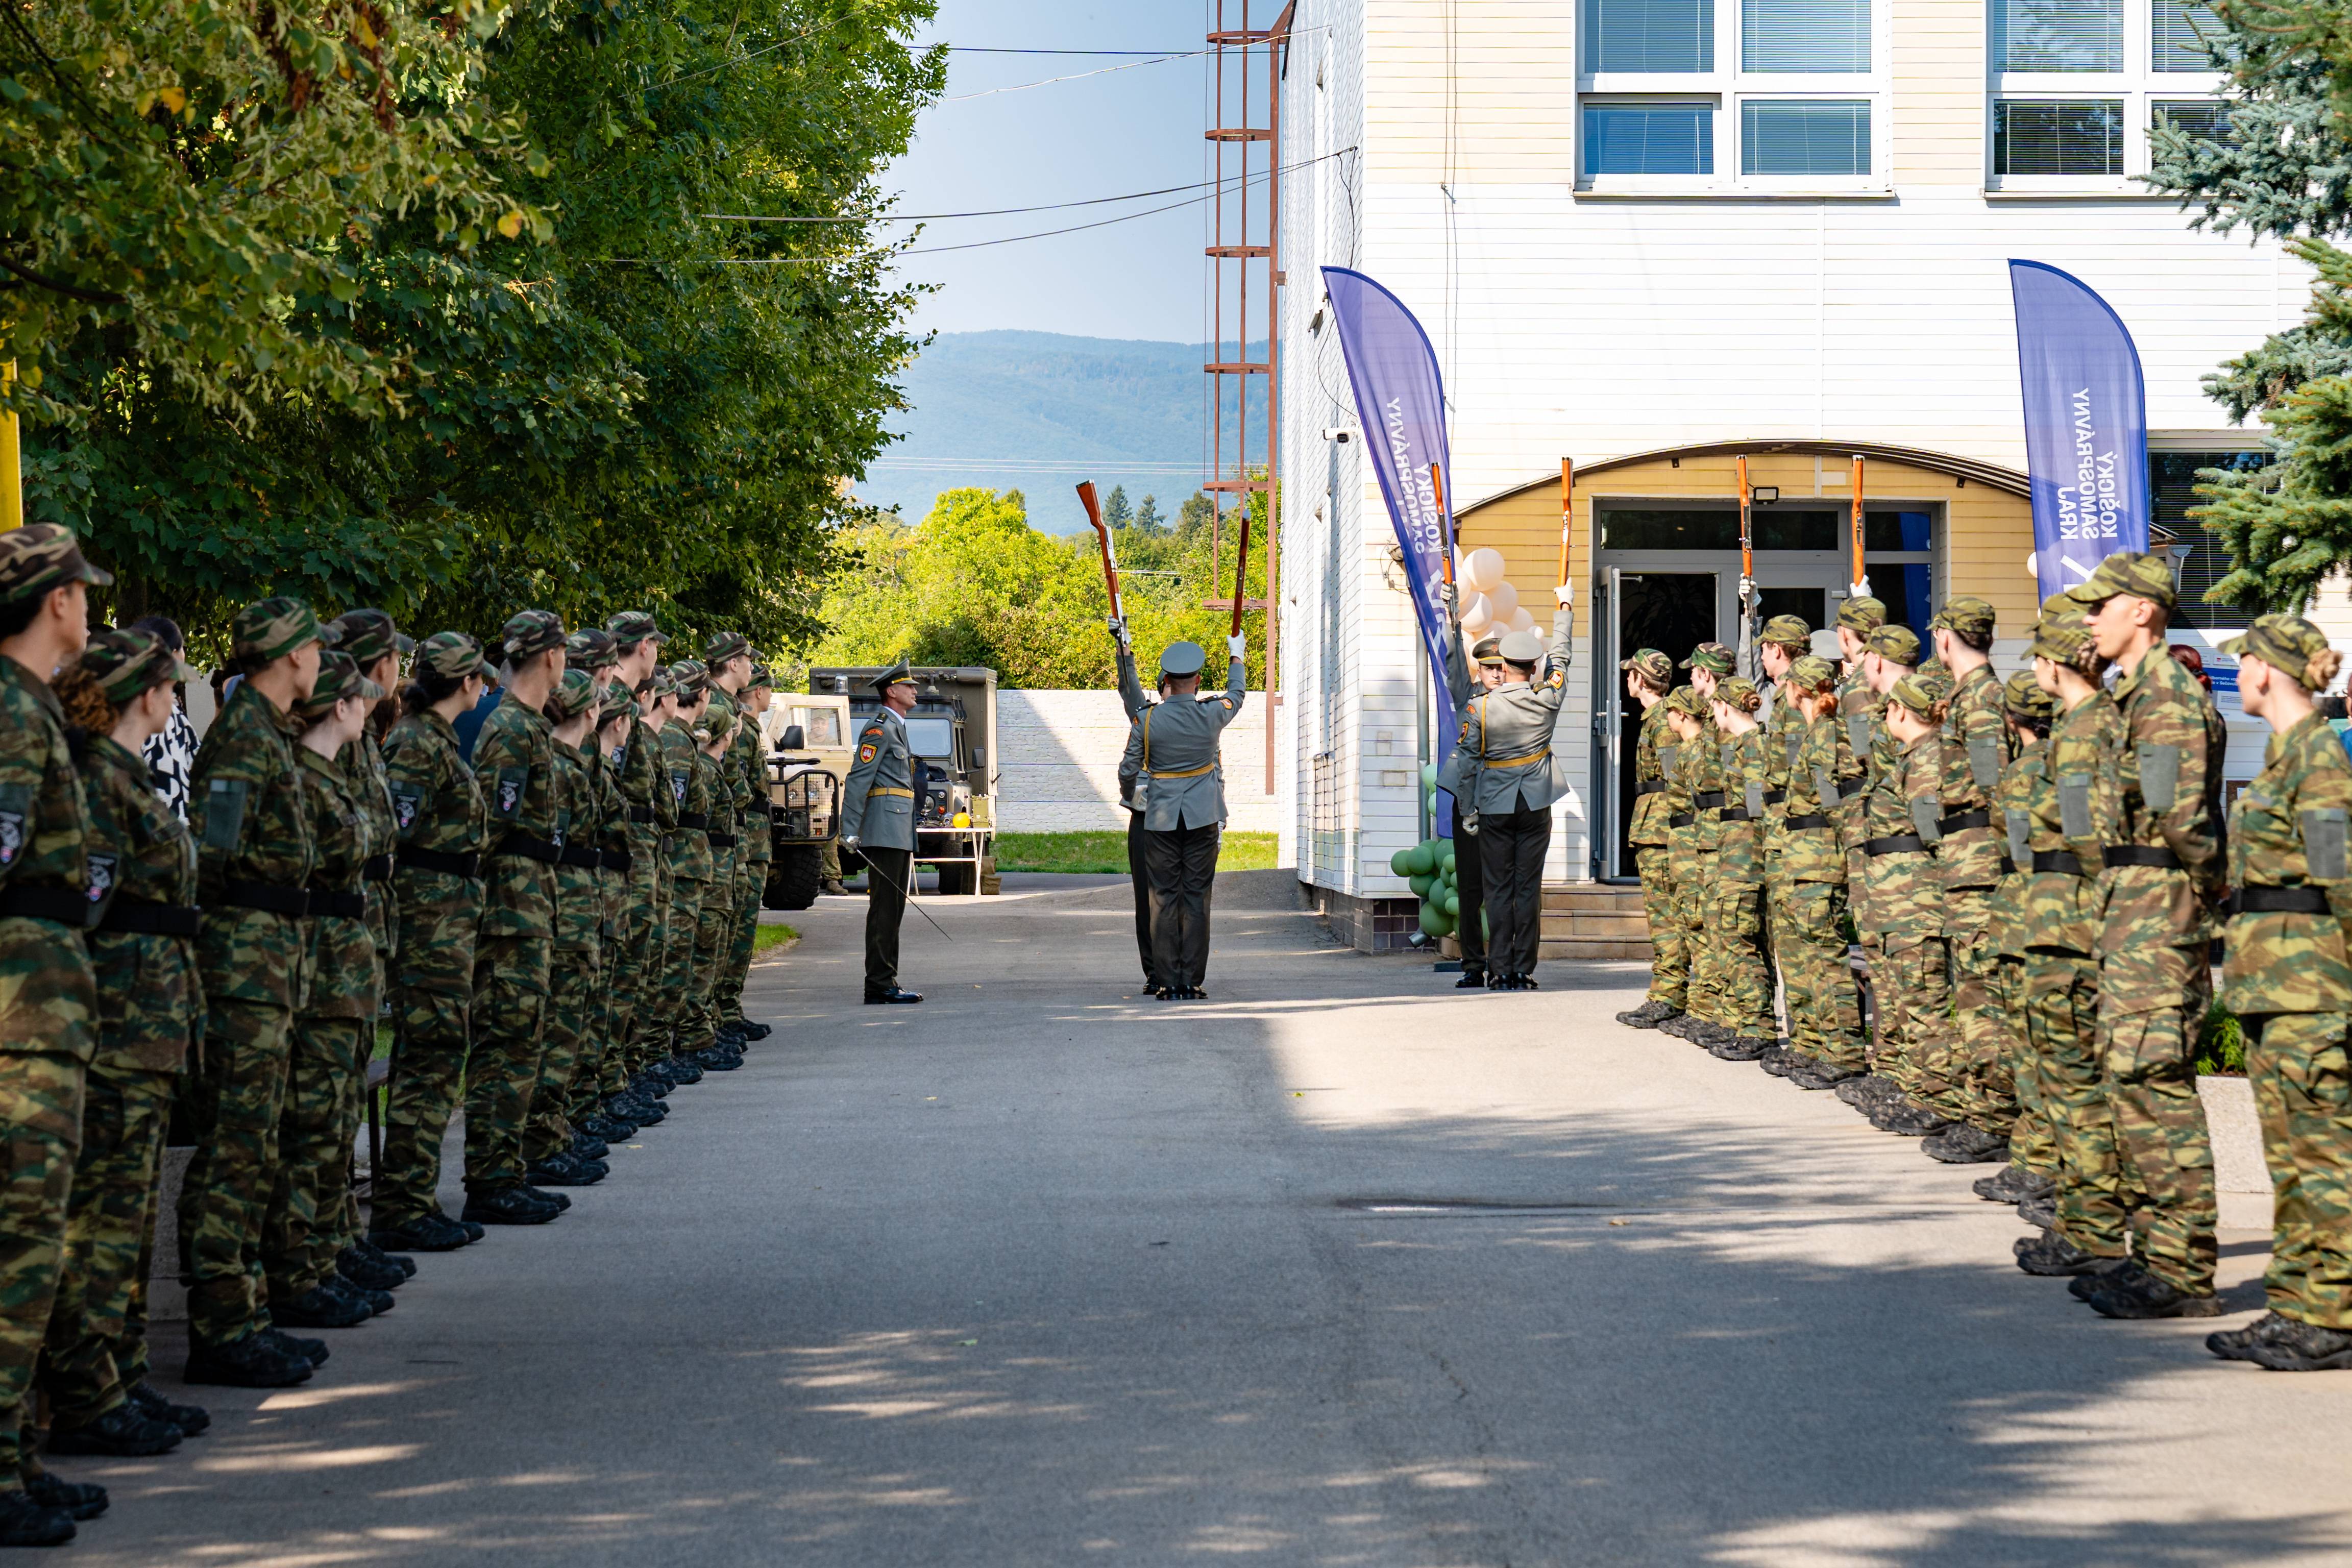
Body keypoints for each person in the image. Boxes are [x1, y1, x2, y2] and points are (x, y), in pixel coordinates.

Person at [39, 629, 206, 1464]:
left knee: (128, 1219)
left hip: (150, 1028)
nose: (176, 700)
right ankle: (86, 1391)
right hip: (118, 1027)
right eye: (169, 688)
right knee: (101, 1223)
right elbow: (91, 907)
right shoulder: (99, 783)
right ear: (143, 694)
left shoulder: (123, 775)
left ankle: (119, 1371)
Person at [2067, 551, 2224, 1319]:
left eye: (2102, 606)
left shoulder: (2165, 701)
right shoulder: (2135, 699)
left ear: (2144, 612)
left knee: (2155, 1083)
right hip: (2130, 906)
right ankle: (2154, 1253)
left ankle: (2183, 1268)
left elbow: (2183, 821)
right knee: (2128, 1080)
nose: (2089, 619)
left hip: (2157, 910)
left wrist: (2195, 894)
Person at [180, 597, 326, 1390]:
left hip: (274, 966)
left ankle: (250, 1309)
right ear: (289, 655)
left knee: (259, 1141)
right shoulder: (241, 742)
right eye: (310, 647)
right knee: (235, 1146)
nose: (317, 661)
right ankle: (222, 1326)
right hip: (244, 971)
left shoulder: (272, 735)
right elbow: (215, 857)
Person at [0, 526, 112, 1547]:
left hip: (43, 1020)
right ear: (55, 602)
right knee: (18, 1254)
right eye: (79, 592)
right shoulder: (8, 715)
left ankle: (16, 1461)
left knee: (34, 1248)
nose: (87, 607)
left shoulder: (30, 711)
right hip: (18, 1026)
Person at [2206, 613, 2352, 1370]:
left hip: (2312, 989)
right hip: (2275, 987)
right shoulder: (2289, 756)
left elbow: (2343, 878)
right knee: (2291, 1159)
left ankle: (2332, 1314)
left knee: (2321, 1155)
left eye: (2248, 664)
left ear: (2267, 671)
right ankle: (2296, 1305)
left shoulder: (2318, 762)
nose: (2244, 675)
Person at [261, 650, 391, 1330]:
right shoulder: (306, 780)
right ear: (339, 707)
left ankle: (322, 1257)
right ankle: (302, 1268)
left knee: (331, 1122)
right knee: (312, 1126)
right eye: (360, 700)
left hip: (341, 964)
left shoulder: (327, 776)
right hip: (316, 968)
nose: (370, 709)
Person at [2014, 601, 2137, 1280]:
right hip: (2059, 920)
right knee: (2068, 1081)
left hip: (2073, 925)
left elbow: (2089, 840)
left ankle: (2092, 1231)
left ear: (2053, 662)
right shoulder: (2076, 727)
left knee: (2077, 1083)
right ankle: (2083, 1220)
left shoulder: (2089, 731)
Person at [372, 633, 491, 1255]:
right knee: (429, 1060)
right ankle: (404, 1205)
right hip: (428, 924)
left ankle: (414, 1197)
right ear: (466, 683)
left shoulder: (432, 739)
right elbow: (397, 834)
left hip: (444, 920)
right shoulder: (418, 743)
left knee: (441, 1057)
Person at [462, 610, 570, 1227]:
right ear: (552, 658)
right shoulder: (510, 728)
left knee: (522, 1041)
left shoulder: (525, 725)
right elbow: (491, 828)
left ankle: (507, 1169)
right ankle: (492, 1175)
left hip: (529, 909)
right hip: (509, 914)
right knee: (506, 1045)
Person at [324, 609, 411, 1296]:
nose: (400, 674)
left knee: (339, 1097)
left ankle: (334, 1244)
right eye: (394, 660)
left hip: (360, 934)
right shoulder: (337, 740)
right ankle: (319, 1253)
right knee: (321, 1108)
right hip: (325, 944)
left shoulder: (366, 739)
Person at [1920, 597, 2016, 1165]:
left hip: (1980, 862)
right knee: (1972, 991)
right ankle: (1980, 1108)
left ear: (1947, 639)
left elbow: (1994, 791)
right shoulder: (1966, 698)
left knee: (1984, 995)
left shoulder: (1980, 702)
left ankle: (1996, 1118)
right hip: (1965, 860)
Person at [518, 668, 612, 1189]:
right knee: (555, 1026)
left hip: (567, 900)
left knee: (567, 1022)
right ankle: (543, 1141)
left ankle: (553, 1134)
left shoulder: (567, 762)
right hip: (554, 904)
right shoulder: (557, 765)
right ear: (590, 713)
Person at [1973, 670, 2062, 1206]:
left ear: (2011, 720)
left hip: (2028, 912)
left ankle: (2039, 1160)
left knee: (2032, 1043)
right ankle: (2035, 1156)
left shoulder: (2028, 772)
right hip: (2045, 913)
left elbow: (2021, 846)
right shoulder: (2061, 763)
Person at [1120, 637, 1248, 999]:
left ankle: (1166, 982)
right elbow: (1237, 694)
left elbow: (1128, 768)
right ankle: (1191, 981)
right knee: (1196, 897)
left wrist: (1130, 793)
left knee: (1162, 899)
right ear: (1196, 680)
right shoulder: (1212, 714)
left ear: (1167, 681)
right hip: (1203, 817)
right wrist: (1235, 655)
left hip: (1159, 820)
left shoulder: (1147, 721)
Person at [1456, 600, 1573, 991]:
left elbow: (1469, 763)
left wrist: (1469, 810)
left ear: (1503, 667)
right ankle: (1524, 969)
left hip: (1494, 804)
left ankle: (1499, 970)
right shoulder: (1547, 698)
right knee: (1528, 887)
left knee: (1497, 888)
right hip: (1536, 801)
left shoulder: (1481, 707)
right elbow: (1562, 660)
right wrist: (1564, 607)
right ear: (1535, 667)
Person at [1775, 655, 1868, 1088]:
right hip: (1805, 862)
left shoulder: (1827, 736)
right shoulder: (1817, 733)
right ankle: (1820, 1045)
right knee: (1813, 959)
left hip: (1821, 864)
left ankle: (1844, 1051)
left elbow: (1837, 806)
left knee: (1827, 961)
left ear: (1801, 690)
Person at [601, 612, 673, 1124]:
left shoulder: (624, 704)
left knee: (630, 975)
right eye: (656, 647)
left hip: (631, 858)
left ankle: (619, 1075)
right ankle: (607, 1084)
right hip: (616, 865)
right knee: (616, 978)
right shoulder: (612, 705)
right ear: (644, 647)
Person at [1660, 643, 1734, 1040]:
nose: (1690, 677)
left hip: (1714, 841)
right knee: (1701, 924)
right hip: (1700, 840)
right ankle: (1707, 1008)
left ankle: (1717, 1010)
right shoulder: (1703, 740)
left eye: (1694, 672)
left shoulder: (1723, 735)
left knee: (1713, 929)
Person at [842, 659, 925, 1003]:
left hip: (896, 828)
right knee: (885, 909)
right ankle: (879, 984)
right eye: (909, 686)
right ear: (892, 692)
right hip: (884, 828)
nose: (915, 690)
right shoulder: (879, 729)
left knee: (893, 909)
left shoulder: (897, 726)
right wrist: (849, 831)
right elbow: (859, 779)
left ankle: (885, 979)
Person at [1702, 677, 1775, 1054]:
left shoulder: (1752, 747)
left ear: (1726, 708)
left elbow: (1756, 811)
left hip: (1745, 859)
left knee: (1739, 939)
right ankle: (1746, 1022)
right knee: (1741, 938)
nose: (1713, 715)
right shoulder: (1746, 745)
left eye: (1715, 708)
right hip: (1737, 854)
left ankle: (1757, 1027)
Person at [1753, 615, 1814, 1060]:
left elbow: (1796, 771)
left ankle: (1816, 1044)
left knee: (1804, 946)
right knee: (1792, 944)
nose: (1758, 657)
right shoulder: (1784, 694)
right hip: (1787, 832)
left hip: (1799, 837)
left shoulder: (1796, 697)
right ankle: (1807, 1041)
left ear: (1777, 650)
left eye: (1762, 649)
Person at [1616, 649, 1680, 1025]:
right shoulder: (1656, 717)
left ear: (1642, 680)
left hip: (1661, 831)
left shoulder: (1663, 721)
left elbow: (1676, 778)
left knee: (1665, 918)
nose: (1627, 680)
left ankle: (1667, 996)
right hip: (1654, 825)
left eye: (1631, 675)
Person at [1442, 630, 1503, 991]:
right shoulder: (1470, 697)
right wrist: (1455, 629)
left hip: (1501, 804)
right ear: (1479, 669)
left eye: (1501, 668)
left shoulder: (1517, 701)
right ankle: (1472, 965)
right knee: (1470, 889)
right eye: (1489, 668)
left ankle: (1501, 963)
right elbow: (1455, 673)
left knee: (1500, 889)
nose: (1496, 674)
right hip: (1468, 802)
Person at [1113, 619, 1166, 991]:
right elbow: (1129, 690)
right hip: (1146, 817)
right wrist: (1124, 651)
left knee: (1177, 900)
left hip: (1181, 818)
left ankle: (1176, 969)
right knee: (1146, 899)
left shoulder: (1199, 719)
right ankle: (1155, 972)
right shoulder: (1147, 718)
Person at [127, 615, 196, 822]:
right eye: (183, 649)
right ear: (174, 655)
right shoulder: (161, 716)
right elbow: (172, 794)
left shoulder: (127, 703)